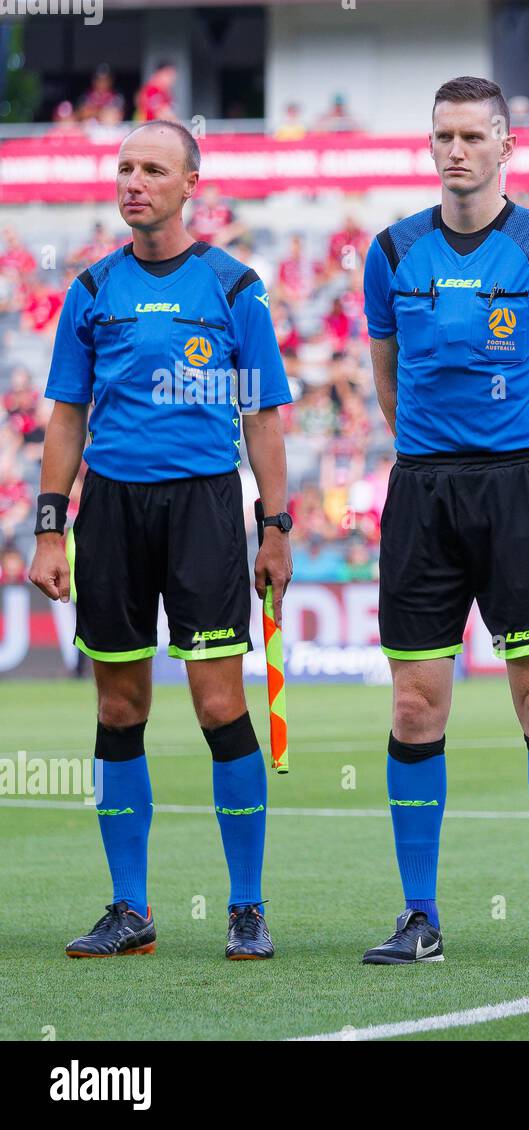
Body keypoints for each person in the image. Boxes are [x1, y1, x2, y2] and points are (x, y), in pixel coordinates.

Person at [28, 120, 293, 961]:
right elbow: (67, 416)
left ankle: (246, 908)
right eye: (124, 168)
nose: (134, 181)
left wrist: (275, 526)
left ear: (190, 185)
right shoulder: (91, 289)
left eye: (153, 169)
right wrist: (49, 528)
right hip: (110, 510)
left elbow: (263, 417)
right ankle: (130, 908)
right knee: (118, 707)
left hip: (204, 511)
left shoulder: (234, 286)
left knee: (220, 706)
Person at [361, 76, 529, 967]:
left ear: (508, 145)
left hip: (519, 493)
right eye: (443, 136)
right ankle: (419, 916)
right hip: (423, 492)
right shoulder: (390, 251)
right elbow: (391, 384)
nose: (456, 150)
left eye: (473, 135)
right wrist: (438, 456)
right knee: (415, 704)